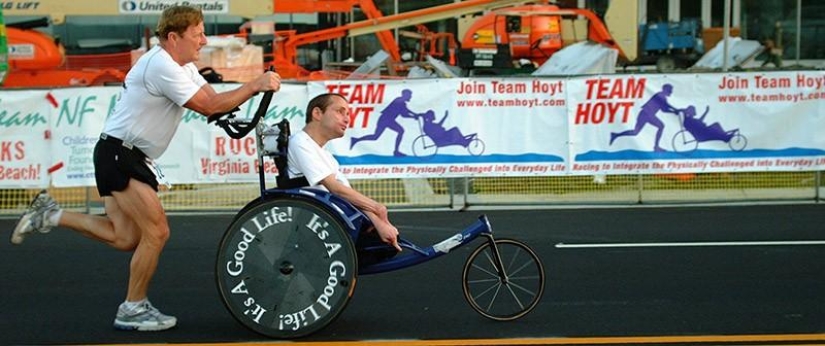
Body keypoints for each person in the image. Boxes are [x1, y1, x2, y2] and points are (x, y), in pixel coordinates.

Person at [10, 5, 281, 332]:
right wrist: (256, 84)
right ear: (173, 37)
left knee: (124, 237)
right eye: (197, 35)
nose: (203, 40)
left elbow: (212, 99)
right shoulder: (161, 65)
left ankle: (50, 214)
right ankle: (132, 308)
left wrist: (230, 113)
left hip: (121, 154)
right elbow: (209, 105)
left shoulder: (182, 66)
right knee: (157, 232)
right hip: (120, 155)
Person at [288, 93, 402, 252]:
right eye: (340, 111)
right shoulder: (300, 142)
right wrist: (378, 209)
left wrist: (377, 221)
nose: (347, 119)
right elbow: (336, 189)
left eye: (348, 114)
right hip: (315, 223)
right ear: (317, 114)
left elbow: (346, 195)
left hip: (331, 217)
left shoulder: (326, 156)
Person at [610, 83, 679, 152]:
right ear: (665, 90)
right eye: (670, 90)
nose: (671, 92)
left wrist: (675, 110)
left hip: (646, 114)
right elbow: (665, 107)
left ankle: (616, 135)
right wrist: (675, 110)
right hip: (646, 114)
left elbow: (665, 108)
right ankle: (656, 147)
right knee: (659, 126)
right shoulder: (660, 95)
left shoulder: (662, 96)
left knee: (635, 132)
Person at [350, 88, 417, 157]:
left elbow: (407, 111)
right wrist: (414, 116)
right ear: (405, 95)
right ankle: (396, 151)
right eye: (409, 95)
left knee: (378, 136)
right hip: (385, 120)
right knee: (376, 136)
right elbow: (404, 114)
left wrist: (415, 115)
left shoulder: (401, 102)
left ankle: (356, 140)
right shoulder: (399, 101)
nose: (410, 97)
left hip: (388, 120)